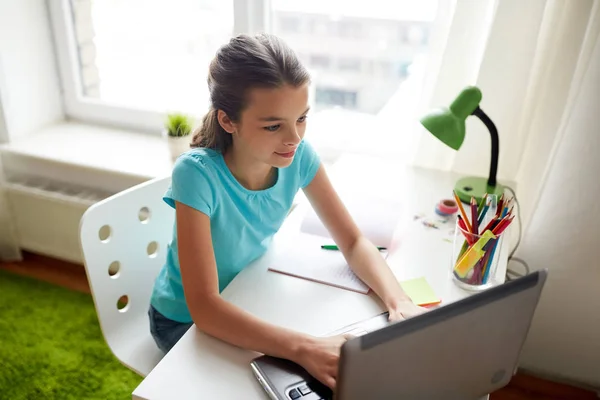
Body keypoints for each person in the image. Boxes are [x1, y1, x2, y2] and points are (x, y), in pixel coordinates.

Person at [148, 32, 426, 390]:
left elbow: (354, 242)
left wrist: (398, 301)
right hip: (183, 321)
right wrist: (305, 348)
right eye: (273, 125)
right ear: (228, 121)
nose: (294, 138)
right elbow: (204, 308)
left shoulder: (298, 157)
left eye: (302, 118)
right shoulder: (196, 175)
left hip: (249, 293)